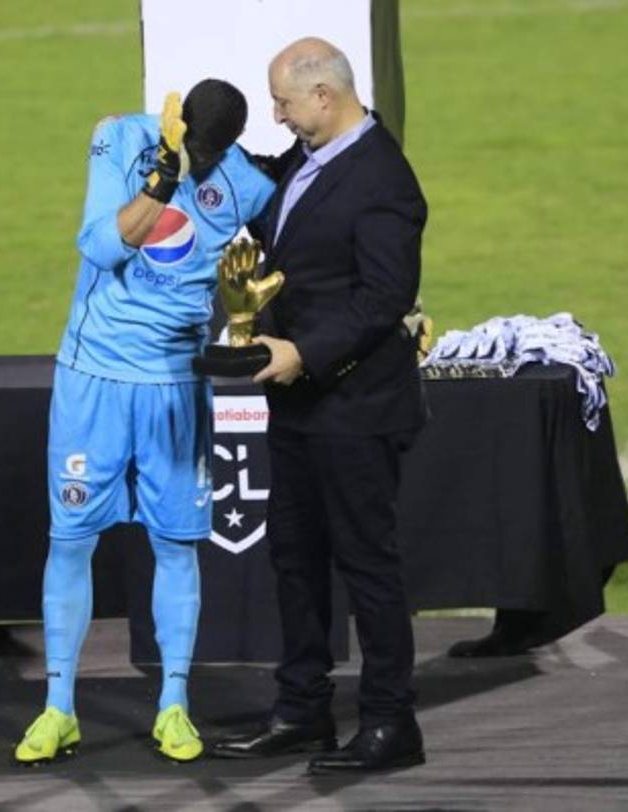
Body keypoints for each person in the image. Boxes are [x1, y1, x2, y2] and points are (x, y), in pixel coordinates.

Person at [13, 80, 275, 765]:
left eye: (220, 153)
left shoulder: (244, 182)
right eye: (201, 148)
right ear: (178, 124)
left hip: (173, 385)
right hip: (93, 376)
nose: (209, 163)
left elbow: (303, 244)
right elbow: (101, 247)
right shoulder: (120, 137)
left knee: (175, 544)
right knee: (71, 539)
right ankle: (58, 707)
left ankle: (174, 706)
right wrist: (161, 180)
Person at [211, 38, 430, 774]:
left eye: (283, 101)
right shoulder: (311, 159)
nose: (276, 113)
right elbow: (272, 199)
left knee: (368, 565)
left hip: (357, 406)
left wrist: (302, 352)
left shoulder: (383, 182)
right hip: (302, 406)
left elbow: (383, 298)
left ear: (325, 98)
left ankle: (390, 723)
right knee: (296, 560)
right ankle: (303, 709)